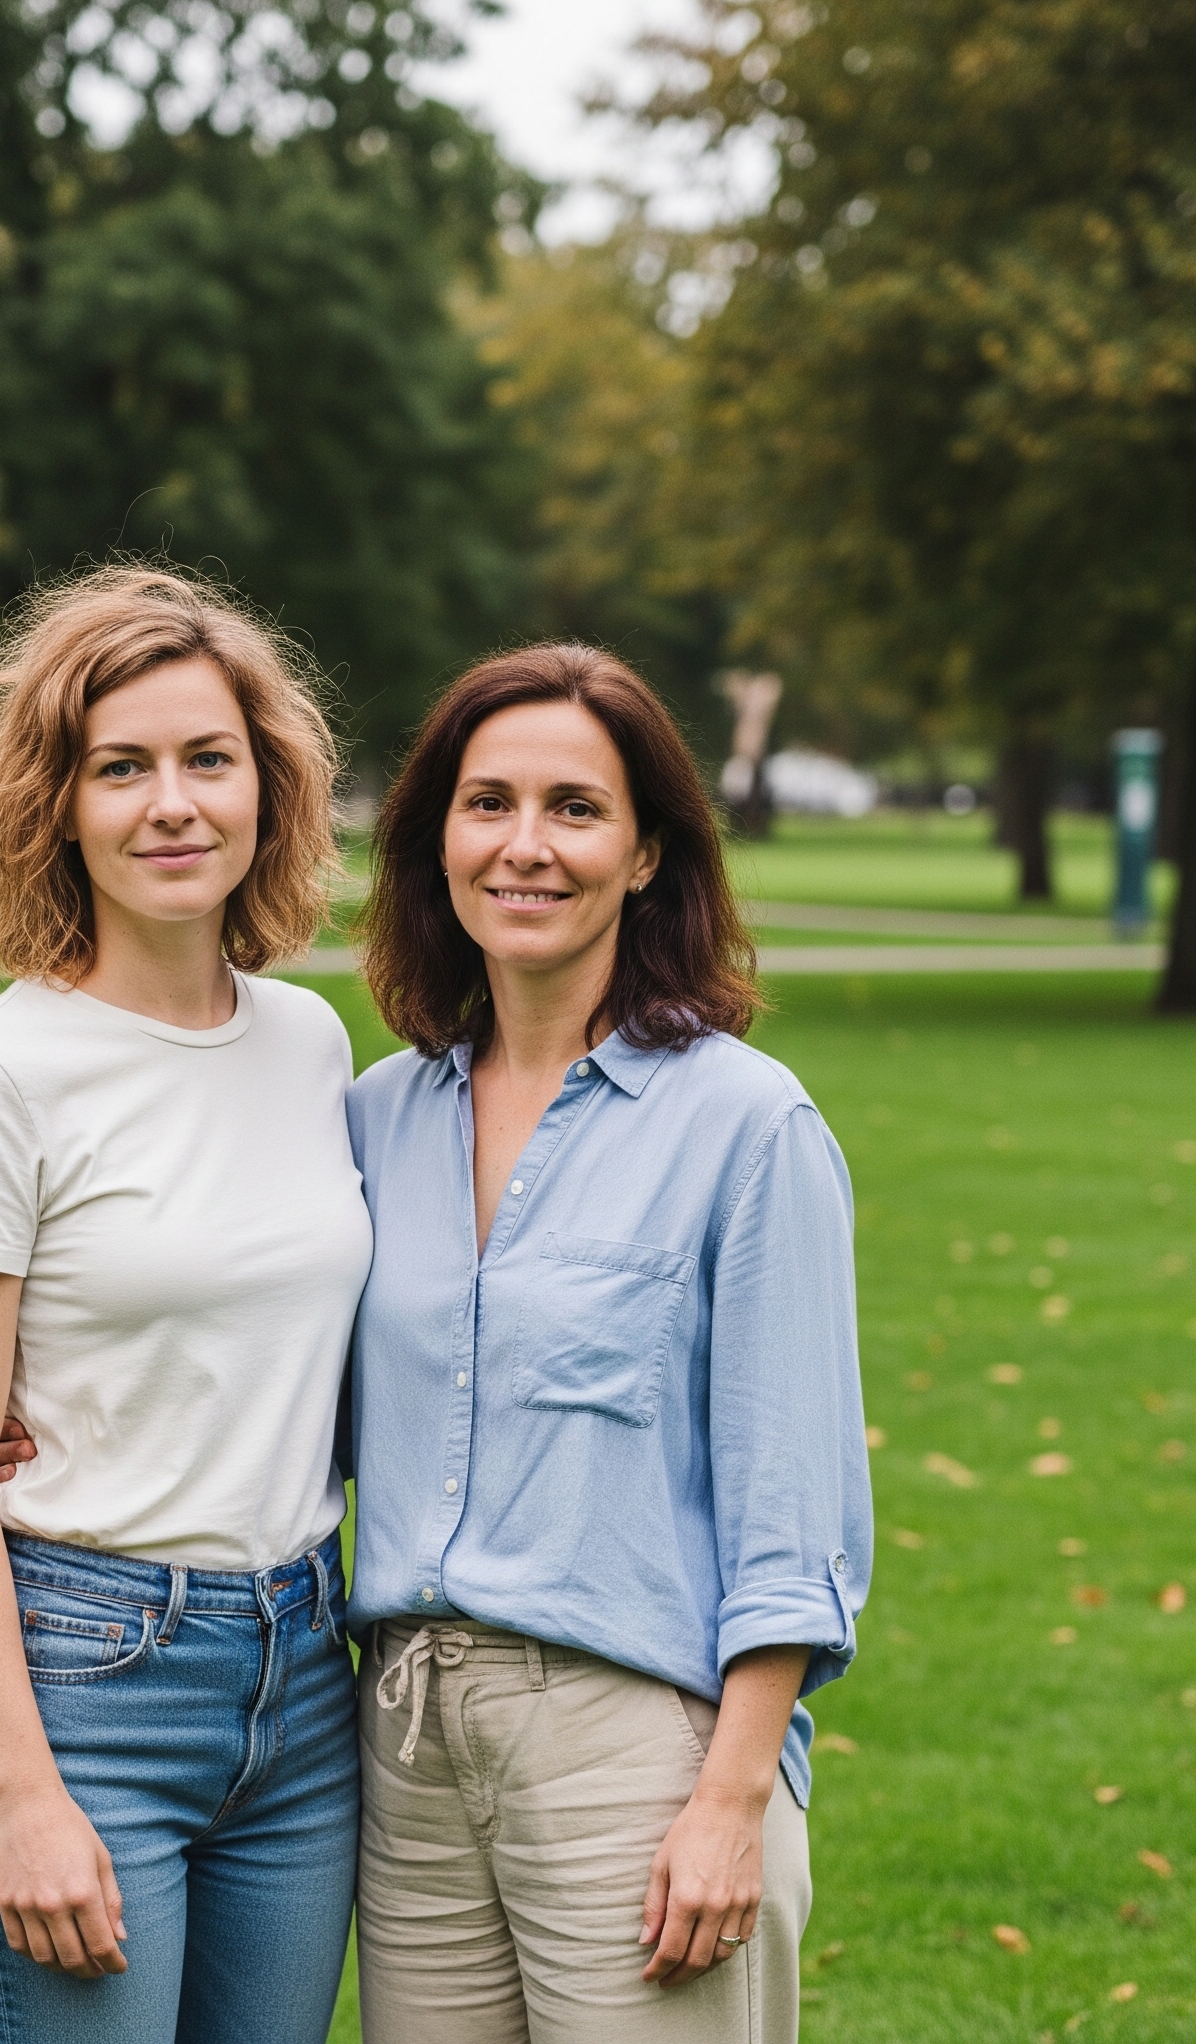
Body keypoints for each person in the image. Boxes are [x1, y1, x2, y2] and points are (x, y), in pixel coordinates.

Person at [344, 643, 872, 2044]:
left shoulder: (748, 1126)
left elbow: (794, 1507)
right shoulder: (375, 1119)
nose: (526, 846)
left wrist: (731, 1802)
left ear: (647, 856)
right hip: (403, 1742)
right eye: (488, 803)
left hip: (636, 1744)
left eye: (576, 808)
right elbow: (293, 1395)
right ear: (435, 839)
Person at [0, 567, 372, 2044]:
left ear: (268, 789)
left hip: (303, 1677)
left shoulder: (309, 1041)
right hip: (86, 1682)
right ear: (59, 805)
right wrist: (21, 1792)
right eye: (123, 768)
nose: (174, 804)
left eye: (208, 760)